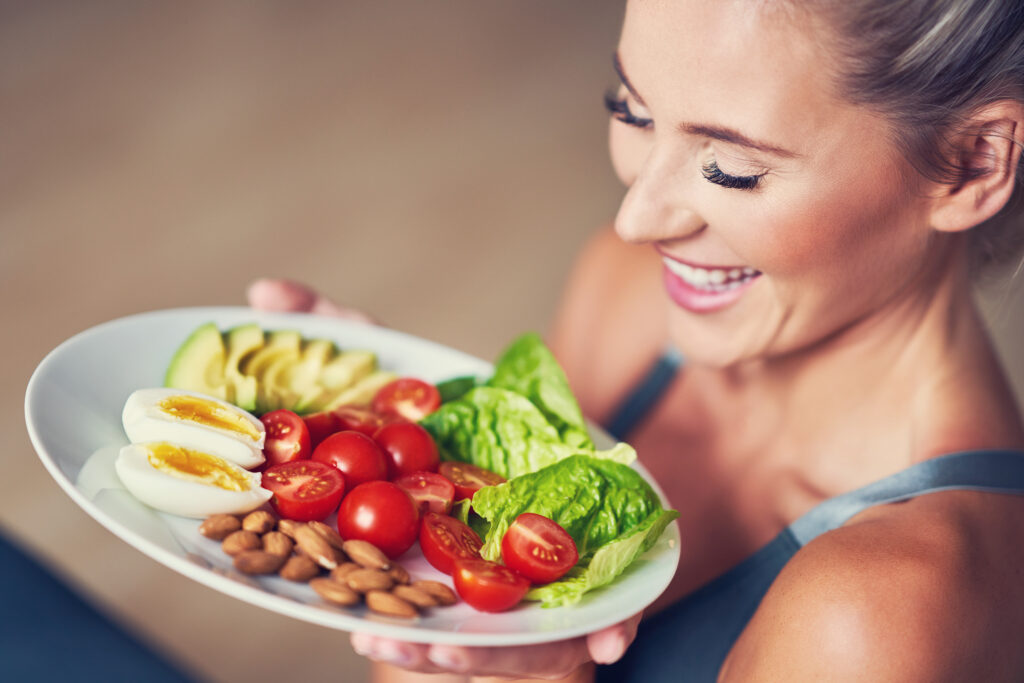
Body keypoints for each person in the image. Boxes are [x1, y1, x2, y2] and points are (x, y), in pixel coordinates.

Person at [252, 0, 1024, 680]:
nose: (637, 219)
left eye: (729, 168)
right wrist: (406, 454)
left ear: (971, 163)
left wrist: (538, 674)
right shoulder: (629, 295)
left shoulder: (883, 611)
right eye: (633, 110)